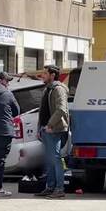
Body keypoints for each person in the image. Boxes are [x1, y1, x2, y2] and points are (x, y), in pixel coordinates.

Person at [35, 65, 70, 199]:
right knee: (49, 160)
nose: (42, 75)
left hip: (54, 129)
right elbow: (43, 111)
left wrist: (50, 125)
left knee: (55, 159)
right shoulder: (47, 89)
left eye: (45, 73)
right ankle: (50, 187)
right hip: (45, 130)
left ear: (52, 75)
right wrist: (40, 128)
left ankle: (59, 189)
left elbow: (61, 109)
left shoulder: (58, 89)